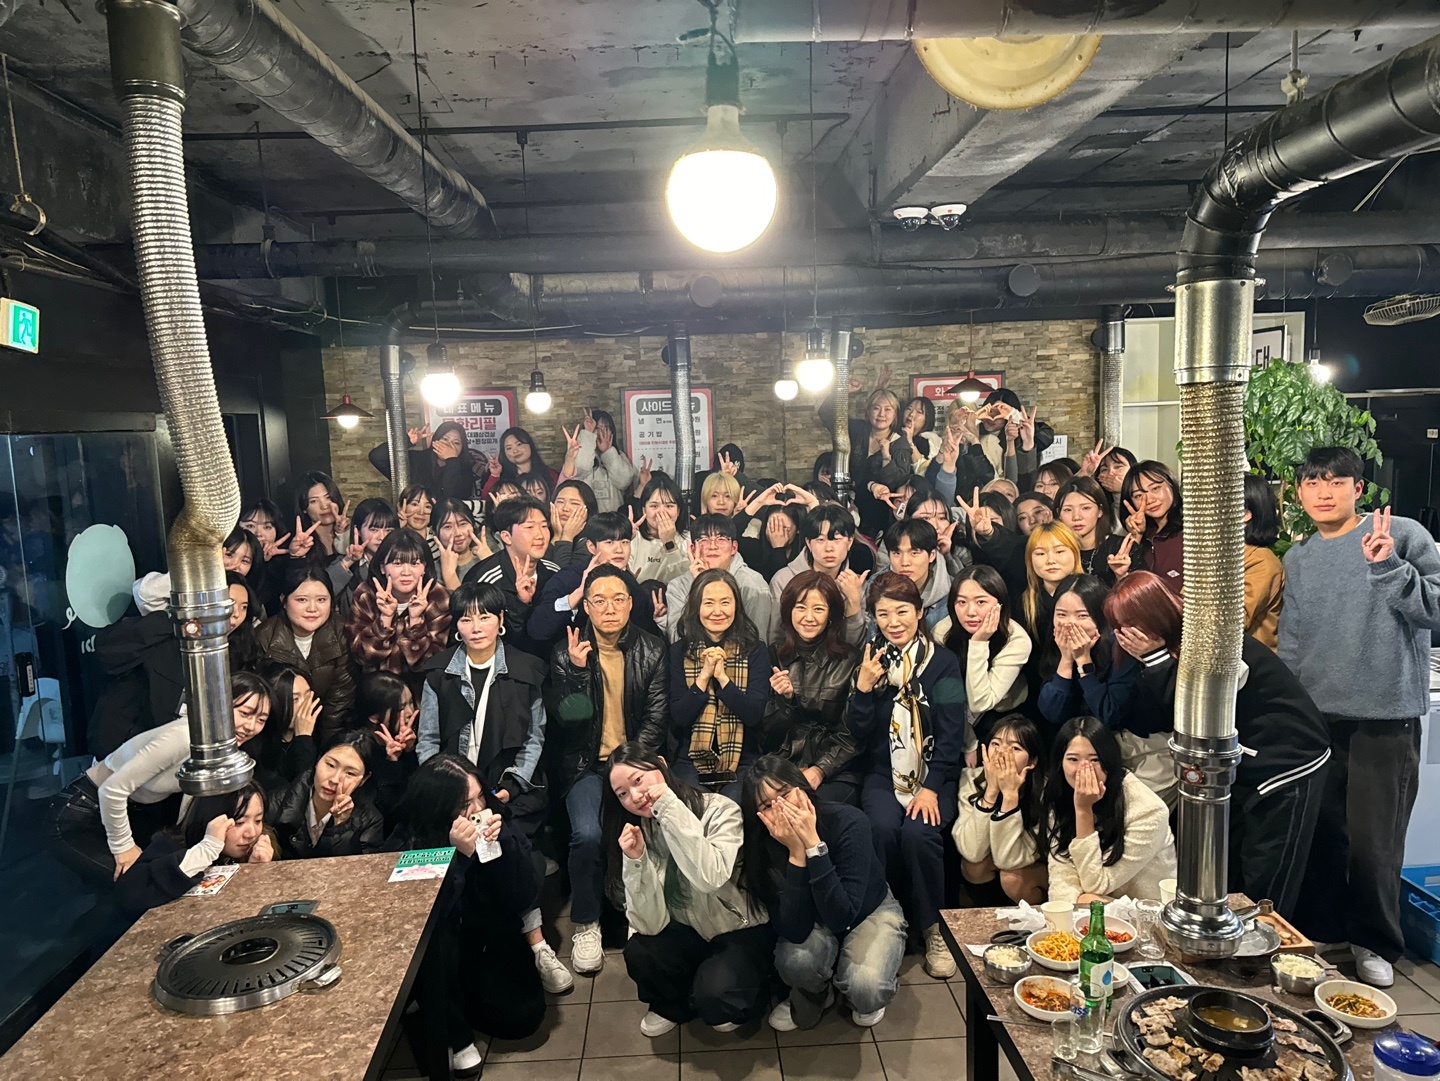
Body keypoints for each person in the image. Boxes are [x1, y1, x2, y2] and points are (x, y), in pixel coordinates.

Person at [1281, 447, 1440, 987]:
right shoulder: (1299, 557)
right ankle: (1325, 930)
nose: (1324, 492)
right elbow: (1293, 641)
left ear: (1358, 488)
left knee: (1376, 840)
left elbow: (1435, 611)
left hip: (1384, 715)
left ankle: (1375, 942)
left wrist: (1388, 567)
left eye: (1336, 481)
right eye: (1313, 482)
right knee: (1323, 834)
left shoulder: (1401, 534)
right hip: (1318, 718)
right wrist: (1291, 709)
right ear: (1299, 493)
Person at [416, 580, 570, 994]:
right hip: (454, 795)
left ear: (501, 620)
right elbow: (428, 741)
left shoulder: (527, 669)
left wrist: (510, 787)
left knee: (514, 857)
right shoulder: (438, 673)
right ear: (456, 625)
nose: (476, 626)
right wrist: (446, 791)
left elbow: (535, 738)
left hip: (507, 791)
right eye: (466, 618)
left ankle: (537, 946)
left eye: (484, 616)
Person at [545, 565, 669, 974]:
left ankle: (644, 912)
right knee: (587, 835)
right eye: (599, 600)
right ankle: (586, 924)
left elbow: (656, 719)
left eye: (618, 599)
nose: (610, 608)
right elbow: (569, 722)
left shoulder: (652, 649)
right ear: (587, 607)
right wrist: (578, 673)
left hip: (634, 764)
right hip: (586, 766)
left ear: (631, 604)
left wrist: (629, 770)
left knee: (648, 832)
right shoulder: (566, 651)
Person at [846, 572, 967, 979]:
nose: (893, 622)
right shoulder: (871, 659)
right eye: (883, 614)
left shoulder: (943, 663)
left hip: (935, 773)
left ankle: (933, 927)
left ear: (919, 612)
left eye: (902, 611)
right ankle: (889, 923)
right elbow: (858, 732)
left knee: (919, 833)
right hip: (883, 773)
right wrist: (863, 690)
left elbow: (952, 732)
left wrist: (931, 788)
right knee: (880, 828)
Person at [394, 754, 546, 1079]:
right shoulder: (415, 837)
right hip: (443, 943)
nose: (477, 809)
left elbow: (523, 896)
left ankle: (458, 1002)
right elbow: (424, 916)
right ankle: (455, 1030)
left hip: (487, 938)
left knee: (523, 1018)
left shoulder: (496, 818)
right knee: (435, 954)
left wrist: (505, 844)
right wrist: (456, 858)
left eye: (480, 796)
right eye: (465, 804)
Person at [607, 743, 774, 1037]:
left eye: (638, 780)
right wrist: (636, 861)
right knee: (639, 951)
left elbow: (710, 878)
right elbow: (649, 924)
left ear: (662, 765)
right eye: (622, 793)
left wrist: (669, 808)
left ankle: (739, 991)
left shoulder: (720, 809)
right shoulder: (641, 830)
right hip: (688, 929)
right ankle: (676, 1004)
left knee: (717, 998)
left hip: (737, 928)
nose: (635, 796)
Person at [57, 671, 272, 882]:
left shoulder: (222, 749)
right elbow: (111, 790)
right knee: (134, 881)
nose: (251, 727)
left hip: (126, 813)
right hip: (81, 809)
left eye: (261, 719)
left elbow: (189, 807)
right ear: (218, 706)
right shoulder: (185, 737)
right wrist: (124, 847)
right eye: (245, 714)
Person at [741, 756, 906, 1032]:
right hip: (814, 916)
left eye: (785, 794)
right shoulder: (761, 845)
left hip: (867, 909)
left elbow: (843, 915)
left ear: (802, 787)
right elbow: (793, 930)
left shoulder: (848, 821)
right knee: (795, 962)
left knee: (866, 989)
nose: (781, 808)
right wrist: (797, 854)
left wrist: (813, 845)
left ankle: (856, 982)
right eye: (767, 806)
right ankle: (817, 989)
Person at [1043, 716, 1176, 906]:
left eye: (1095, 760)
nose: (1084, 769)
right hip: (1094, 903)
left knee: (1088, 900)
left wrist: (1083, 810)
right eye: (1073, 759)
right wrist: (1067, 906)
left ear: (1110, 761)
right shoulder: (1061, 796)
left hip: (1147, 910)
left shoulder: (1148, 811)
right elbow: (1061, 871)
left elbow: (1097, 884)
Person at [762, 571, 862, 805]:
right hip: (783, 762)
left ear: (831, 615)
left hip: (836, 768)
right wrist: (785, 701)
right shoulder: (773, 655)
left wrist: (820, 769)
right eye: (800, 607)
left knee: (809, 806)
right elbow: (766, 733)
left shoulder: (850, 660)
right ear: (789, 612)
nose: (809, 617)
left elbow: (854, 732)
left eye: (818, 609)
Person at [670, 569, 770, 795]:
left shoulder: (755, 650)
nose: (717, 611)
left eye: (725, 602)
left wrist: (723, 679)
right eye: (708, 603)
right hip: (690, 759)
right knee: (693, 808)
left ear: (737, 606)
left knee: (732, 808)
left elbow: (754, 715)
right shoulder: (680, 651)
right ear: (696, 607)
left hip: (743, 759)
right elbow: (679, 717)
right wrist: (704, 677)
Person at [113, 780, 272, 920]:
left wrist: (254, 872)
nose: (251, 833)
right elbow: (128, 898)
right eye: (239, 823)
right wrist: (205, 851)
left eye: (258, 820)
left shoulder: (250, 850)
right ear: (210, 819)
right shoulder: (169, 846)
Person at [528, 512, 663, 650]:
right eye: (609, 542)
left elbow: (646, 635)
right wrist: (579, 592)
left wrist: (659, 618)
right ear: (591, 547)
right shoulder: (567, 578)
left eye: (625, 542)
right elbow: (537, 630)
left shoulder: (629, 582)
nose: (619, 550)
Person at [953, 714, 1048, 904]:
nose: (1002, 754)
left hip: (1033, 867)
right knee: (974, 866)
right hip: (994, 861)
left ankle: (1031, 919)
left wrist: (1010, 796)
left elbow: (1010, 861)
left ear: (1032, 761)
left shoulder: (1044, 790)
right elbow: (971, 851)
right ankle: (991, 917)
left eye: (1015, 748)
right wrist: (991, 792)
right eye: (995, 744)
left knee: (1010, 877)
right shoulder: (971, 778)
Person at [256, 566, 355, 745]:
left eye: (321, 600)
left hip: (326, 727)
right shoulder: (264, 637)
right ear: (284, 601)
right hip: (277, 733)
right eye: (302, 600)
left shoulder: (343, 632)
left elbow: (340, 700)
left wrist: (328, 748)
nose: (312, 608)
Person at [937, 566, 1032, 752]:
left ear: (999, 604)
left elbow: (980, 702)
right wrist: (968, 741)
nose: (971, 612)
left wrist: (978, 643)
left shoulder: (1016, 639)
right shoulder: (942, 632)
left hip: (1003, 713)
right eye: (961, 602)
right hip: (957, 712)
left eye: (981, 602)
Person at [345, 529, 451, 691]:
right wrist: (385, 619)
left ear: (424, 567)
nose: (406, 572)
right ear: (382, 567)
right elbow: (363, 657)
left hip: (421, 691)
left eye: (414, 563)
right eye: (397, 563)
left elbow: (430, 664)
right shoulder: (367, 594)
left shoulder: (438, 597)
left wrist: (416, 622)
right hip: (376, 692)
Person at [462, 495, 558, 661]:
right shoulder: (484, 581)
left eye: (544, 526)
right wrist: (520, 604)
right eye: (529, 527)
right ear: (506, 537)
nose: (540, 535)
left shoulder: (554, 573)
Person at [269, 729, 386, 858]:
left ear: (364, 779)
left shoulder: (370, 821)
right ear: (318, 760)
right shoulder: (274, 804)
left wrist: (341, 826)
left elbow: (358, 868)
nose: (334, 779)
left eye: (350, 773)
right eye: (330, 765)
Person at [664, 514, 775, 644]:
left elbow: (757, 642)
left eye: (721, 539)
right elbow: (676, 640)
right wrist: (700, 585)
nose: (713, 546)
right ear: (693, 549)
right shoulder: (678, 586)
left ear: (734, 547)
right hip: (691, 656)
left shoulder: (753, 585)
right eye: (704, 539)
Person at [821, 387, 914, 539]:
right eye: (876, 408)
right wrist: (843, 390)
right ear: (869, 411)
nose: (881, 414)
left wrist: (886, 456)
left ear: (895, 414)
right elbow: (827, 415)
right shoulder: (857, 429)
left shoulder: (900, 444)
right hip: (848, 502)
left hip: (881, 514)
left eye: (887, 409)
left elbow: (897, 482)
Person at [769, 505, 871, 642]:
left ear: (850, 542)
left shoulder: (856, 583)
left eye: (836, 539)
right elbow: (776, 636)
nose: (829, 548)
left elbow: (856, 645)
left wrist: (854, 603)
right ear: (808, 543)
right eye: (820, 540)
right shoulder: (784, 579)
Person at [1098, 460, 1182, 594]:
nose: (1149, 500)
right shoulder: (1143, 537)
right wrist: (1136, 536)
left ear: (1171, 484)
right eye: (1138, 495)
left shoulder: (1192, 531)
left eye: (1155, 488)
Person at [355, 670, 418, 828]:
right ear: (374, 716)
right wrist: (391, 763)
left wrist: (410, 751)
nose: (410, 712)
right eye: (402, 707)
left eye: (411, 702)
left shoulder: (410, 739)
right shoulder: (359, 749)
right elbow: (383, 810)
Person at [250, 664, 322, 788]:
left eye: (308, 696)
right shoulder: (256, 743)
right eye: (295, 699)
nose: (306, 705)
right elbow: (299, 789)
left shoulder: (315, 733)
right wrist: (303, 738)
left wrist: (304, 737)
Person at [369, 420, 478, 501]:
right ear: (435, 440)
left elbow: (452, 497)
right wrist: (406, 441)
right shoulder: (416, 460)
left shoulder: (465, 470)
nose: (449, 446)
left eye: (456, 443)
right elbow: (377, 457)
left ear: (462, 449)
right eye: (445, 439)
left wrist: (452, 461)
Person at [878, 518, 950, 629]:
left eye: (914, 553)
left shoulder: (953, 595)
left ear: (932, 555)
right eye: (897, 553)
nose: (904, 562)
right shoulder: (877, 588)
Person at [331, 497, 399, 613]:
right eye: (374, 530)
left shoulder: (405, 563)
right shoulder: (345, 563)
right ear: (358, 531)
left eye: (389, 530)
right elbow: (322, 592)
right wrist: (349, 561)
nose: (382, 537)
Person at [565, 408, 637, 513]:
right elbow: (578, 470)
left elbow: (624, 482)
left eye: (607, 427)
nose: (602, 432)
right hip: (587, 517)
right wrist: (588, 435)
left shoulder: (618, 455)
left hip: (614, 517)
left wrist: (608, 452)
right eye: (597, 427)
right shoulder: (578, 452)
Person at [1243, 474, 1285, 650]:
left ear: (1245, 514)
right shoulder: (1218, 555)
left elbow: (1233, 621)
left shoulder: (1261, 561)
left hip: (1249, 663)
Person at [630, 473, 691, 585]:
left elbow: (683, 583)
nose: (662, 512)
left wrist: (669, 543)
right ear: (644, 510)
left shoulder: (688, 540)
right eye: (654, 506)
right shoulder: (633, 539)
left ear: (678, 510)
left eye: (669, 506)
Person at [1055, 476, 1113, 578]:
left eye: (1086, 508)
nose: (1076, 517)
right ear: (1059, 513)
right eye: (1068, 510)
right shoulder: (1054, 553)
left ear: (1100, 510)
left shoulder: (1120, 548)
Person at [483, 425, 561, 499]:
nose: (515, 451)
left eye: (519, 444)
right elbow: (487, 500)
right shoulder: (502, 476)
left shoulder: (550, 474)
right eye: (509, 448)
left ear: (530, 445)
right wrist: (495, 475)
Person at [292, 470, 351, 561]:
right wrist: (295, 556)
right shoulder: (298, 543)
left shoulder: (355, 534)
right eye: (314, 501)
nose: (324, 506)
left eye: (328, 497)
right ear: (304, 508)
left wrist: (344, 535)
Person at [433, 499, 487, 591]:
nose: (457, 533)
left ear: (473, 526)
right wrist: (449, 574)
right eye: (447, 527)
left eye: (463, 524)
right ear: (434, 532)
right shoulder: (432, 572)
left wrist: (492, 562)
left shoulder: (486, 557)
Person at [548, 478, 598, 567]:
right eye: (560, 502)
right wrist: (557, 536)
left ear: (588, 509)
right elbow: (543, 570)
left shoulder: (591, 542)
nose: (565, 508)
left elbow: (562, 572)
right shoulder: (543, 532)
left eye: (574, 503)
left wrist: (567, 537)